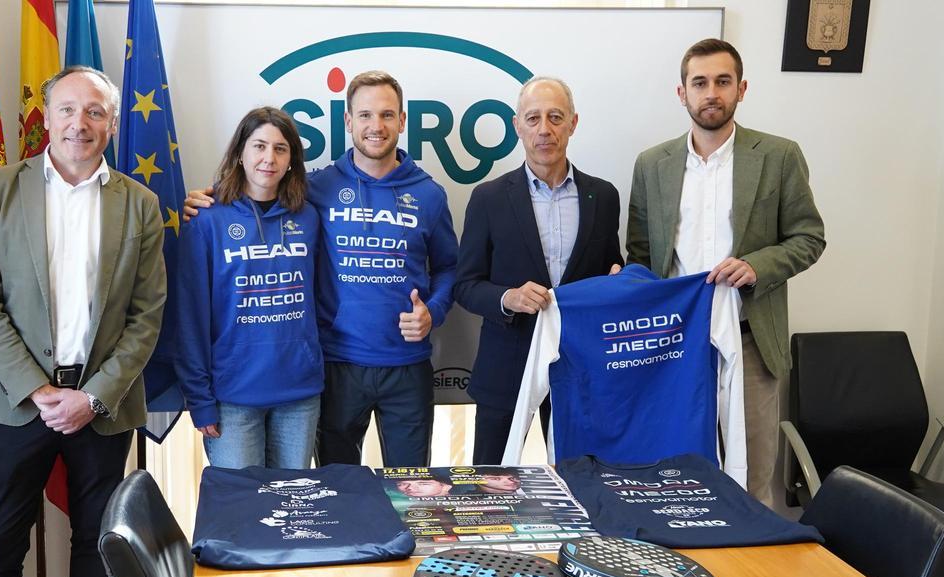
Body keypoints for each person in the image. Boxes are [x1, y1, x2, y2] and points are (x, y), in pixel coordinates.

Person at [0, 65, 166, 577]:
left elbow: (146, 317)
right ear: (45, 118)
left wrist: (92, 397)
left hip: (100, 409)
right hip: (13, 400)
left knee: (96, 548)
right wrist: (38, 389)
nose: (81, 123)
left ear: (111, 124)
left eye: (96, 112)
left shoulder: (142, 204)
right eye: (69, 110)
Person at [186, 71, 458, 468]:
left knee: (410, 488)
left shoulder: (429, 194)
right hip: (336, 366)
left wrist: (434, 310)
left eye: (386, 115)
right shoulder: (316, 189)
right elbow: (259, 188)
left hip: (407, 366)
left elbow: (449, 267)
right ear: (348, 122)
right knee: (335, 495)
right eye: (365, 115)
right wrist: (207, 196)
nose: (375, 126)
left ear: (402, 121)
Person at [626, 39, 826, 509]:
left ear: (742, 89)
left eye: (722, 81)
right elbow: (640, 252)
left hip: (750, 337)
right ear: (682, 93)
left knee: (753, 476)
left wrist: (758, 265)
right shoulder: (652, 164)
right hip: (674, 345)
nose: (711, 92)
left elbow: (809, 238)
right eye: (700, 83)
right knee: (674, 472)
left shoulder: (778, 156)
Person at [454, 76, 623, 465]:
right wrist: (508, 298)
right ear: (517, 126)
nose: (544, 129)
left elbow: (611, 270)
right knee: (489, 489)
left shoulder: (604, 196)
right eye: (532, 118)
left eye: (555, 117)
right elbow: (466, 286)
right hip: (506, 369)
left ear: (573, 124)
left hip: (580, 369)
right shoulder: (489, 198)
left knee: (581, 483)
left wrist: (618, 281)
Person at [176, 107, 323, 469]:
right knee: (241, 512)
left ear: (292, 159)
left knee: (293, 510)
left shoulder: (308, 217)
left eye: (280, 149)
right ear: (240, 153)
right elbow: (189, 316)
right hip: (232, 398)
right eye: (259, 146)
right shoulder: (206, 220)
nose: (268, 159)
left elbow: (320, 300)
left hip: (299, 395)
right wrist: (199, 398)